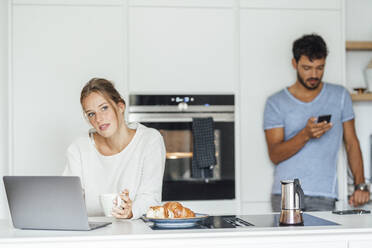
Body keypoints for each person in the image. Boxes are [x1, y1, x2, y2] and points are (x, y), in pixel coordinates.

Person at [263, 34, 370, 211]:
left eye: (320, 68)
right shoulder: (276, 102)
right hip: (286, 194)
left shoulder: (340, 96)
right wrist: (305, 134)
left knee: (324, 240)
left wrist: (360, 186)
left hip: (324, 194)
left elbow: (352, 143)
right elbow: (275, 155)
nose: (314, 74)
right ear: (294, 64)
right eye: (307, 68)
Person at [63, 78, 165, 219]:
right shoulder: (79, 148)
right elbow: (67, 201)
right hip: (91, 236)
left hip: (134, 233)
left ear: (120, 106)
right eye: (91, 114)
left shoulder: (149, 140)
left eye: (104, 108)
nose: (98, 119)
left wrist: (130, 211)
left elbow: (150, 198)